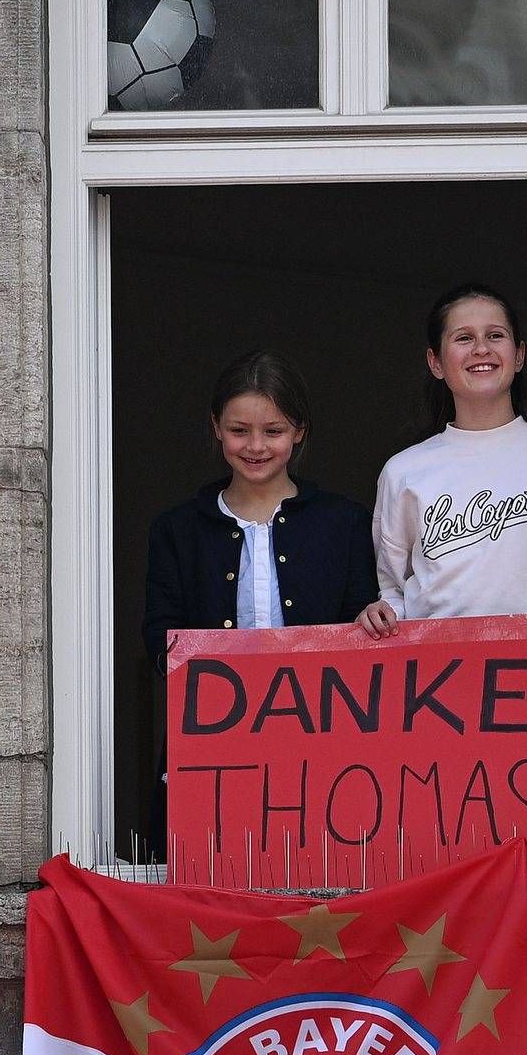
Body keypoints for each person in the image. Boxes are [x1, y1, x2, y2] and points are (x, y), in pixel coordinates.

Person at [362, 282, 527, 840]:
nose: (481, 349)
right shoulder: (405, 470)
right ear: (435, 362)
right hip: (433, 699)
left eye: (495, 336)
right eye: (463, 338)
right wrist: (381, 616)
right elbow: (394, 590)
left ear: (519, 355)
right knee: (444, 860)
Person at [139, 351, 382, 850]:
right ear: (216, 427)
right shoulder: (177, 530)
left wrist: (371, 617)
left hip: (323, 740)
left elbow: (360, 621)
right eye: (238, 431)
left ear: (299, 431)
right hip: (215, 741)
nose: (255, 446)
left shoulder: (344, 522)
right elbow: (160, 636)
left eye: (273, 431)